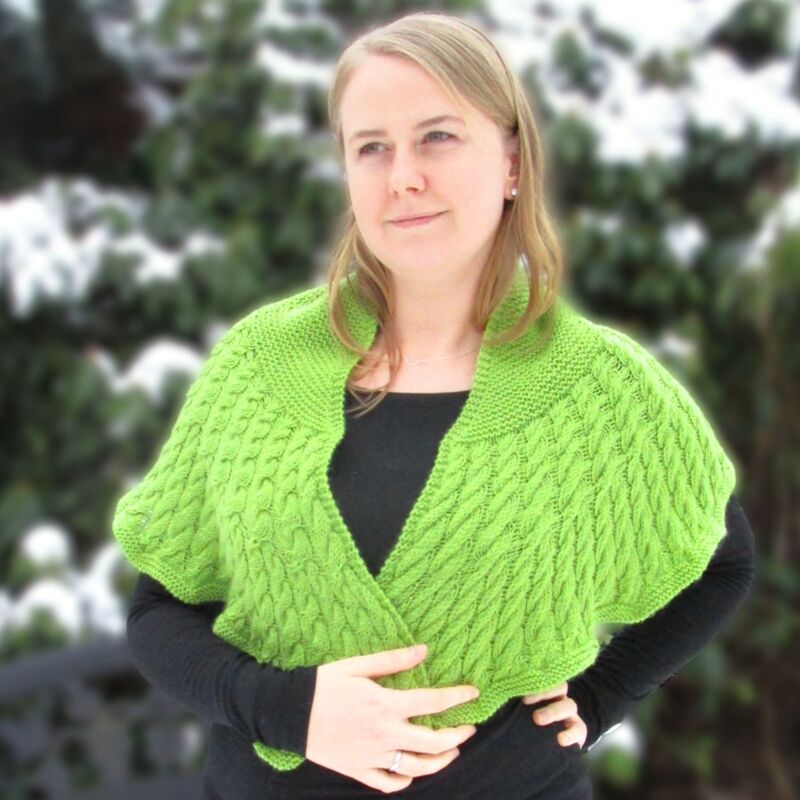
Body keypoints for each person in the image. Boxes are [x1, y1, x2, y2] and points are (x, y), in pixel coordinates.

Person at [114, 12, 756, 800]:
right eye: (371, 147)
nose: (403, 176)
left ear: (512, 161)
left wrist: (602, 696)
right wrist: (291, 711)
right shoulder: (259, 367)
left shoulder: (599, 389)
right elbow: (158, 608)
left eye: (438, 137)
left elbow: (723, 564)